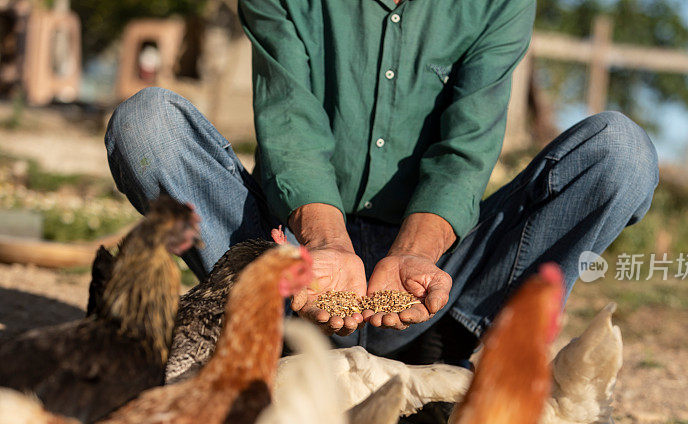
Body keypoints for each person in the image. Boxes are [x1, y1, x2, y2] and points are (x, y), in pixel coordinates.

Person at [105, 0, 658, 369]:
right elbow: (289, 123)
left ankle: (458, 347)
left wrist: (415, 256)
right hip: (300, 257)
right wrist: (324, 245)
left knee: (620, 153)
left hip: (434, 280)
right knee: (146, 125)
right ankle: (268, 328)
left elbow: (465, 150)